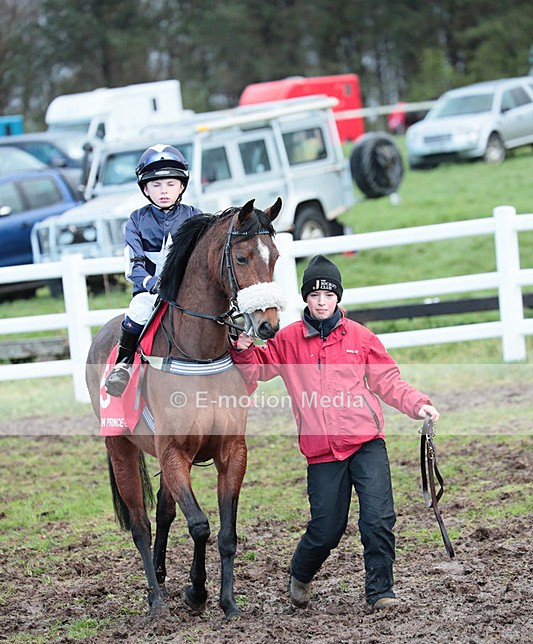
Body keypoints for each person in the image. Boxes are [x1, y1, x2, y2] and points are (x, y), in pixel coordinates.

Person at [231, 254, 439, 610]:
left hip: (366, 444)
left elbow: (388, 381)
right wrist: (244, 351)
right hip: (323, 452)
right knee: (327, 529)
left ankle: (381, 593)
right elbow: (256, 373)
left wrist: (419, 404)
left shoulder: (361, 337)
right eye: (315, 295)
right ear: (306, 299)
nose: (322, 302)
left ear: (338, 297)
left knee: (378, 520)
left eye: (329, 295)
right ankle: (300, 573)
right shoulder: (288, 341)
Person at [104, 144, 202, 397]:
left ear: (182, 186)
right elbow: (134, 267)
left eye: (170, 184)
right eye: (156, 185)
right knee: (137, 310)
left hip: (188, 292)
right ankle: (123, 366)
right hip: (151, 292)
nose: (164, 191)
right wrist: (154, 284)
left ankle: (235, 357)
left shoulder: (197, 217)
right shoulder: (136, 220)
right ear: (145, 189)